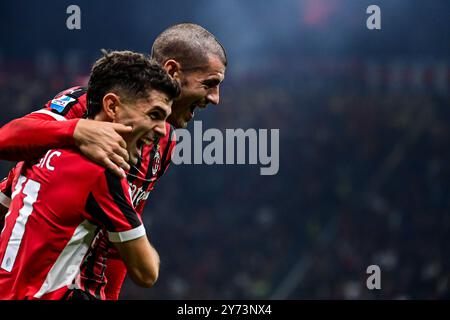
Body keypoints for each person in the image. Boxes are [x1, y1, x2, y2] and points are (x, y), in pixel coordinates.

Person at [0, 23, 227, 300]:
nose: (215, 98)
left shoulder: (165, 141)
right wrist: (74, 130)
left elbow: (122, 231)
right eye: (209, 84)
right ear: (172, 71)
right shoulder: (86, 104)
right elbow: (6, 141)